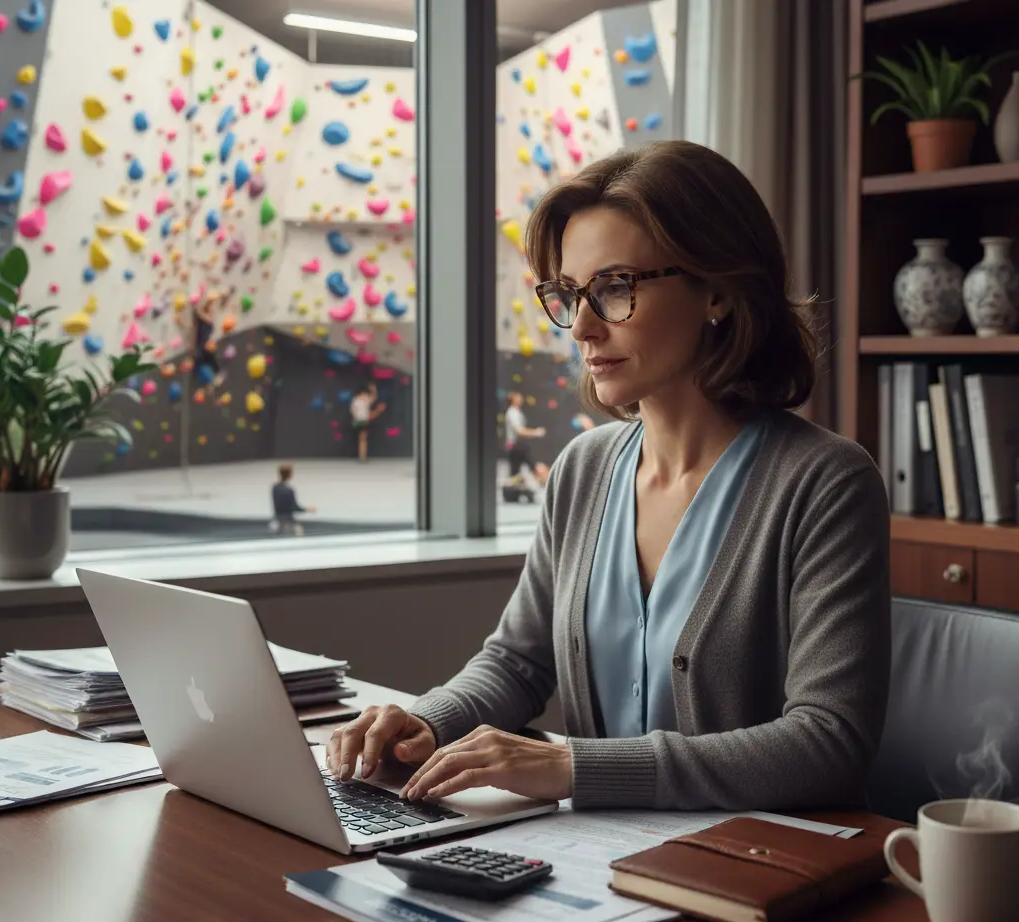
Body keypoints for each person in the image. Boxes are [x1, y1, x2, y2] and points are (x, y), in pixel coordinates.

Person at [327, 141, 890, 813]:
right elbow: (519, 661)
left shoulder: (825, 483)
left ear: (717, 289)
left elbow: (828, 743)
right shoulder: (584, 470)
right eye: (568, 295)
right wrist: (431, 719)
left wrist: (573, 766)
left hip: (754, 871)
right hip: (600, 863)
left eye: (616, 287)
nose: (584, 327)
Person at [503, 392, 546, 480]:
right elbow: (520, 431)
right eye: (518, 396)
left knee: (515, 473)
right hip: (516, 447)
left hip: (520, 446)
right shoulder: (512, 412)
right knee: (534, 466)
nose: (521, 398)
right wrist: (536, 432)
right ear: (513, 400)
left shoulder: (518, 412)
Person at [270, 463, 316, 537]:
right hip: (288, 522)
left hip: (276, 520)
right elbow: (294, 507)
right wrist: (308, 509)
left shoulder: (274, 488)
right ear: (290, 475)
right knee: (299, 532)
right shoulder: (289, 490)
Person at [350, 383, 386, 462]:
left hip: (363, 420)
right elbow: (353, 411)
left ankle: (362, 456)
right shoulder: (357, 401)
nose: (365, 396)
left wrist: (373, 390)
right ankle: (362, 457)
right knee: (362, 439)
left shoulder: (362, 401)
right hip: (360, 420)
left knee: (363, 439)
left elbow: (373, 398)